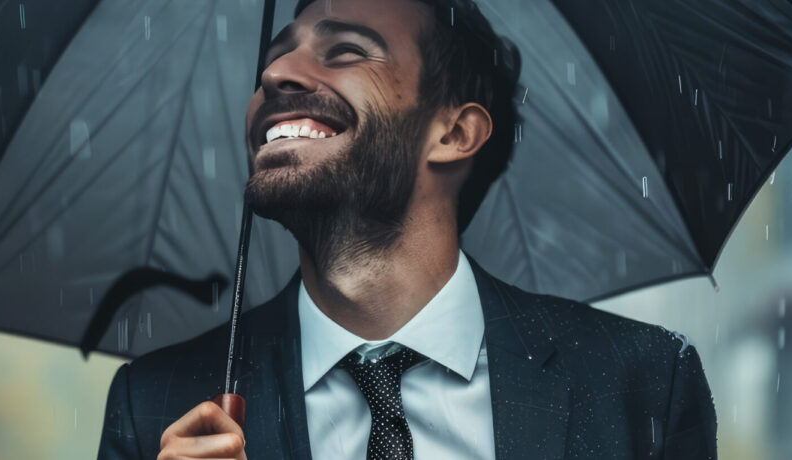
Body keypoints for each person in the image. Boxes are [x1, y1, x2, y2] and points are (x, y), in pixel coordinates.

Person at [97, 0, 718, 458]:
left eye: (344, 51)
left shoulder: (642, 386)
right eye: (274, 57)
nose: (276, 75)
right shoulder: (153, 406)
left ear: (453, 133)